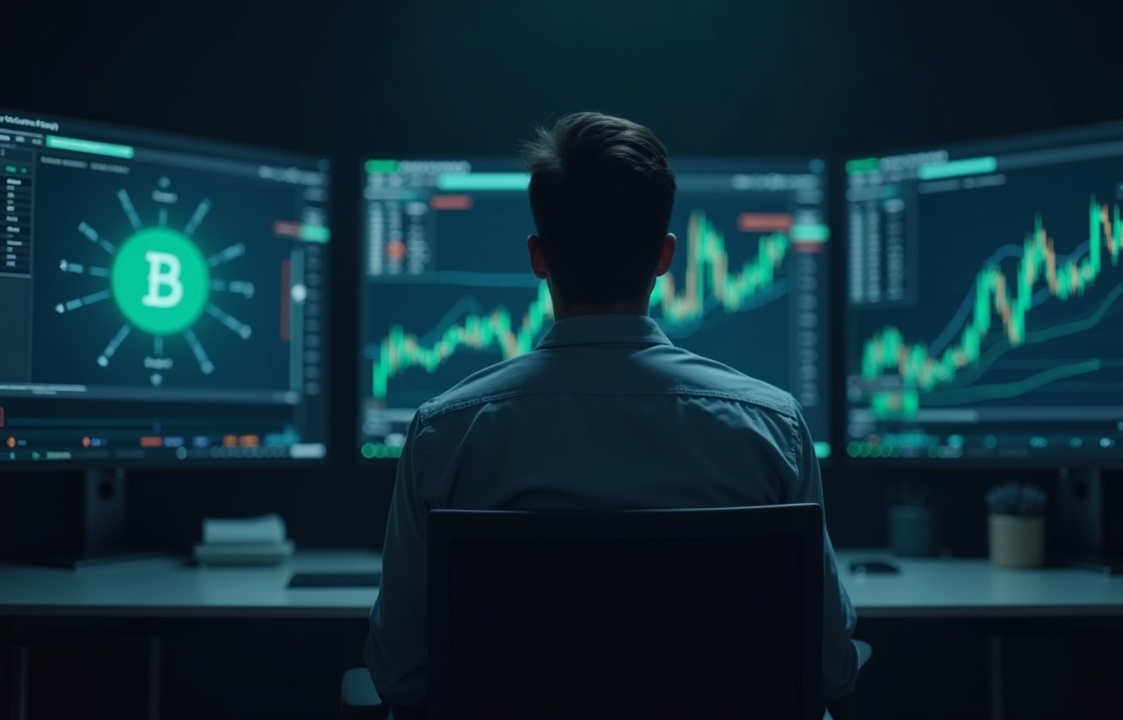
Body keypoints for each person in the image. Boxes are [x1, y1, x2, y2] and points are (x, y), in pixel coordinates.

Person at [364, 111, 860, 714]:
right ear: (665, 256)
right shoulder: (772, 428)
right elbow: (830, 668)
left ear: (538, 256)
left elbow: (398, 673)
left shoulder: (445, 435)